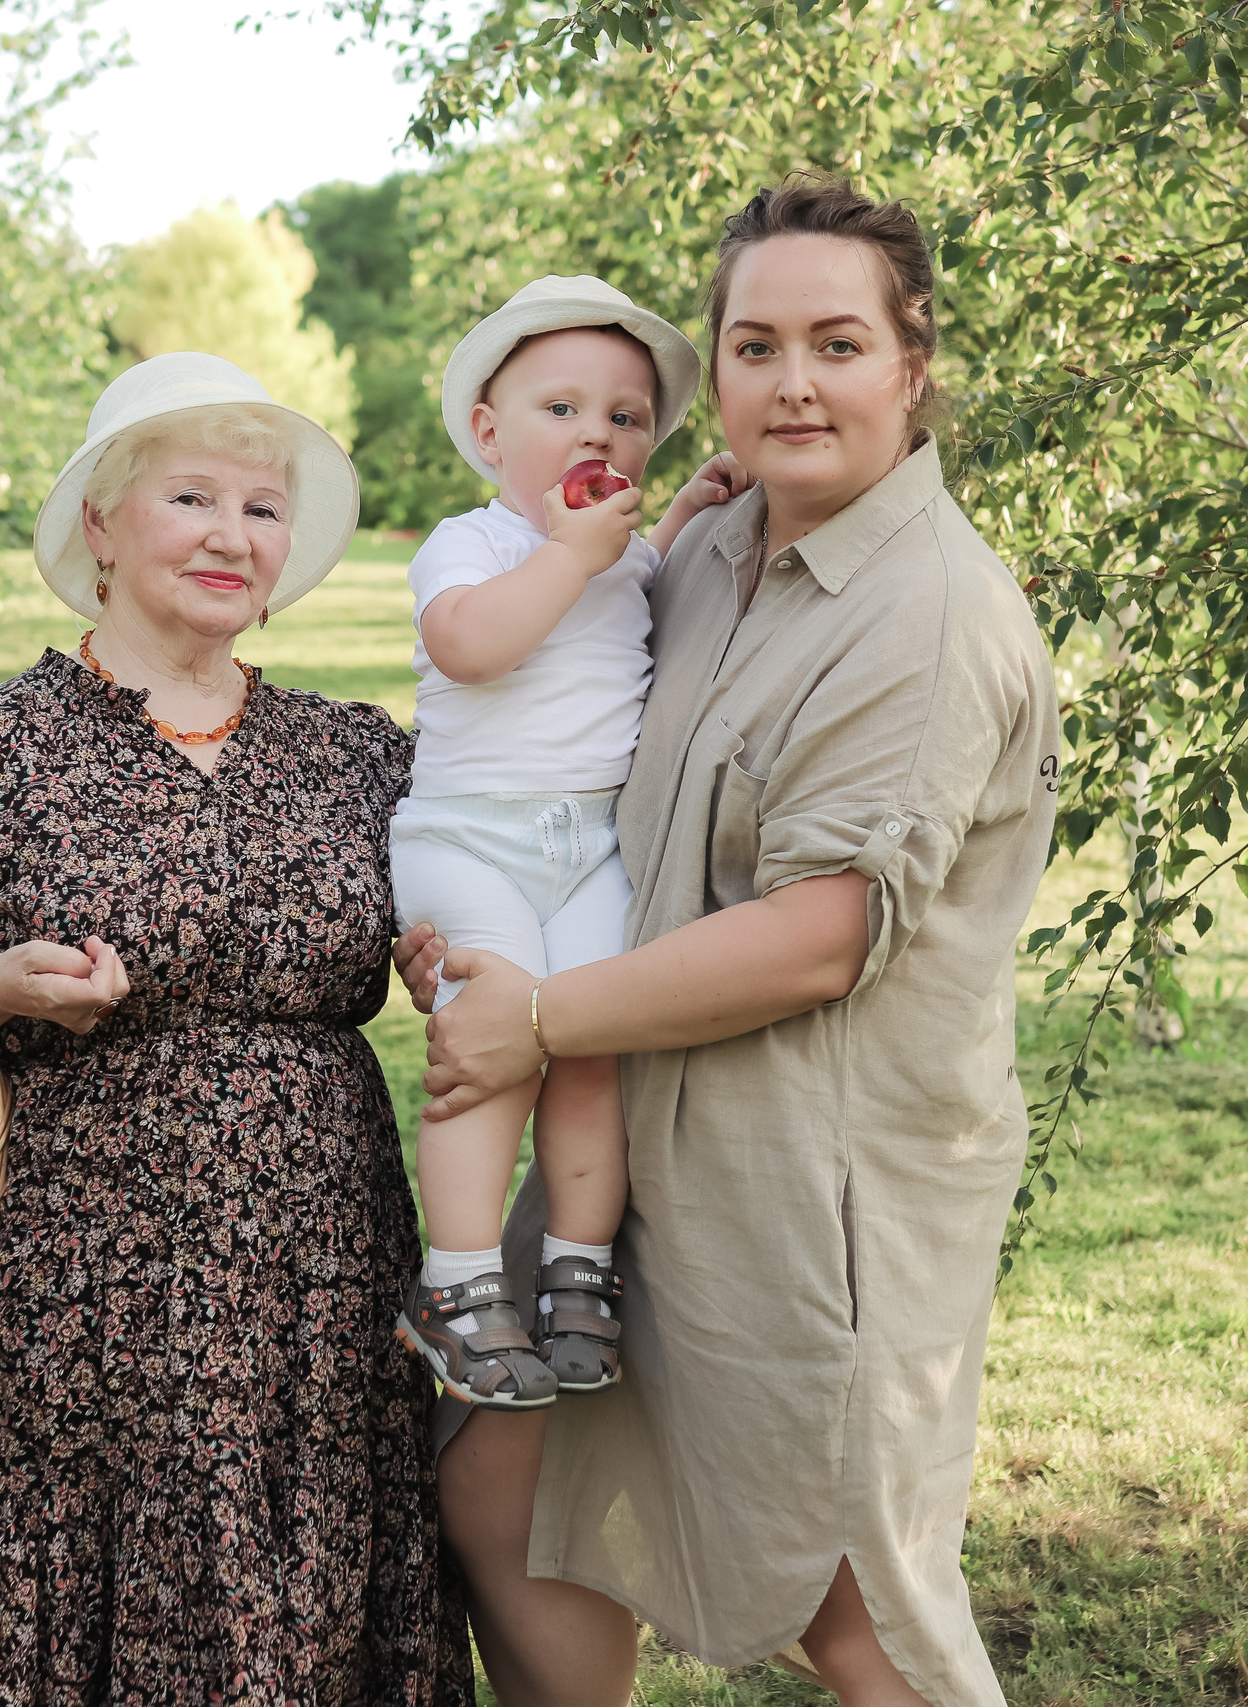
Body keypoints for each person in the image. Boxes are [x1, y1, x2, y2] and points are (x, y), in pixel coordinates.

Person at [400, 178, 1063, 1707]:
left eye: (838, 342)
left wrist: (540, 1013)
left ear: (914, 366)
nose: (794, 381)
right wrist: (473, 919)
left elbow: (823, 935)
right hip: (628, 1140)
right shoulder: (698, 556)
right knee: (505, 1504)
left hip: (812, 1179)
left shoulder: (929, 610)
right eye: (755, 345)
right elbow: (553, 762)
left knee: (851, 1598)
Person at [0, 352, 471, 1707]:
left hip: (319, 1282)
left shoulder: (361, 756)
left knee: (313, 1568)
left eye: (264, 509)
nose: (233, 535)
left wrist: (446, 946)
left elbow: (476, 914)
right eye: (192, 497)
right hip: (83, 1293)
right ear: (101, 527)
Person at [389, 275, 745, 1410]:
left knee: (592, 1042)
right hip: (468, 839)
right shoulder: (473, 544)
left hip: (591, 841)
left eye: (626, 417)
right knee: (491, 1048)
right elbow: (470, 648)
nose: (597, 430)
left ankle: (577, 1268)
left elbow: (638, 582)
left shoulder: (624, 553)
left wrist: (677, 514)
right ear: (490, 436)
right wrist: (572, 555)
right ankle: (456, 1282)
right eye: (561, 410)